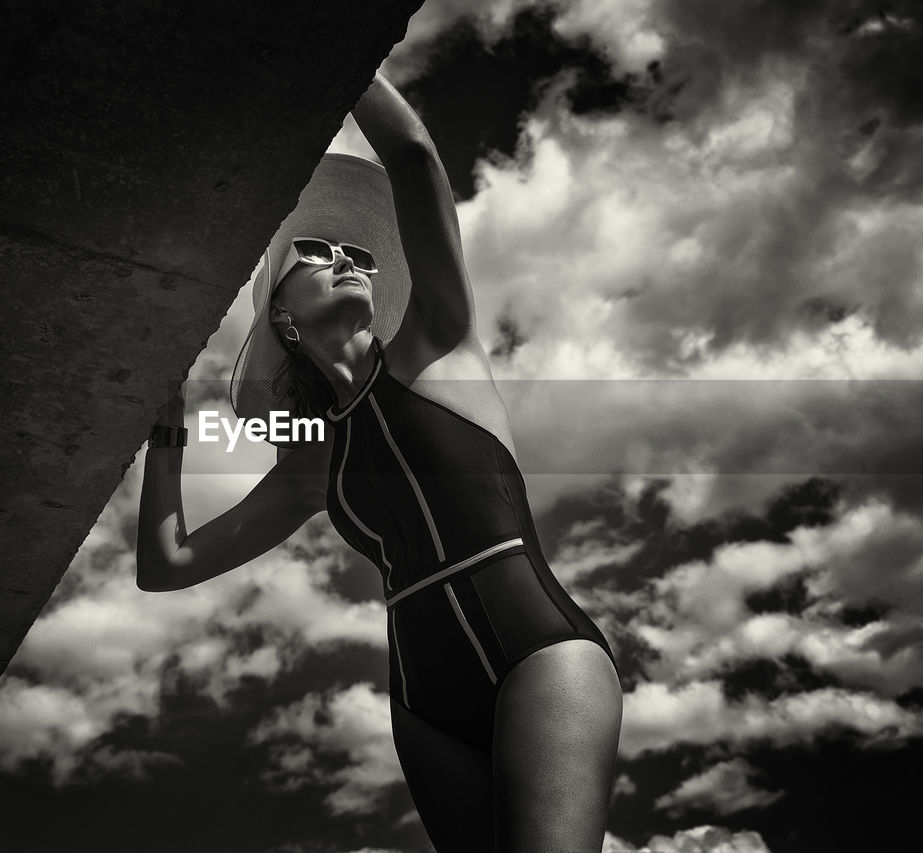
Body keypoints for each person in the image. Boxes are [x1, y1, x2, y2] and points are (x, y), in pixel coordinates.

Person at [137, 72, 622, 853]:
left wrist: (344, 52)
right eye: (319, 250)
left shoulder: (440, 343)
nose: (349, 258)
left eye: (359, 250)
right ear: (283, 318)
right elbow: (165, 565)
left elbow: (412, 153)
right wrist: (165, 437)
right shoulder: (312, 465)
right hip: (421, 704)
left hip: (539, 655)